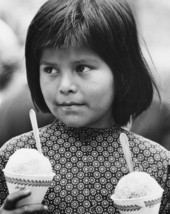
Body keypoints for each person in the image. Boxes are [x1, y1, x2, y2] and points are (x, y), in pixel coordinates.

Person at [0, 0, 170, 213]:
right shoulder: (13, 158)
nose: (65, 86)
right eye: (51, 70)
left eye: (82, 68)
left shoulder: (156, 164)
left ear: (122, 73)